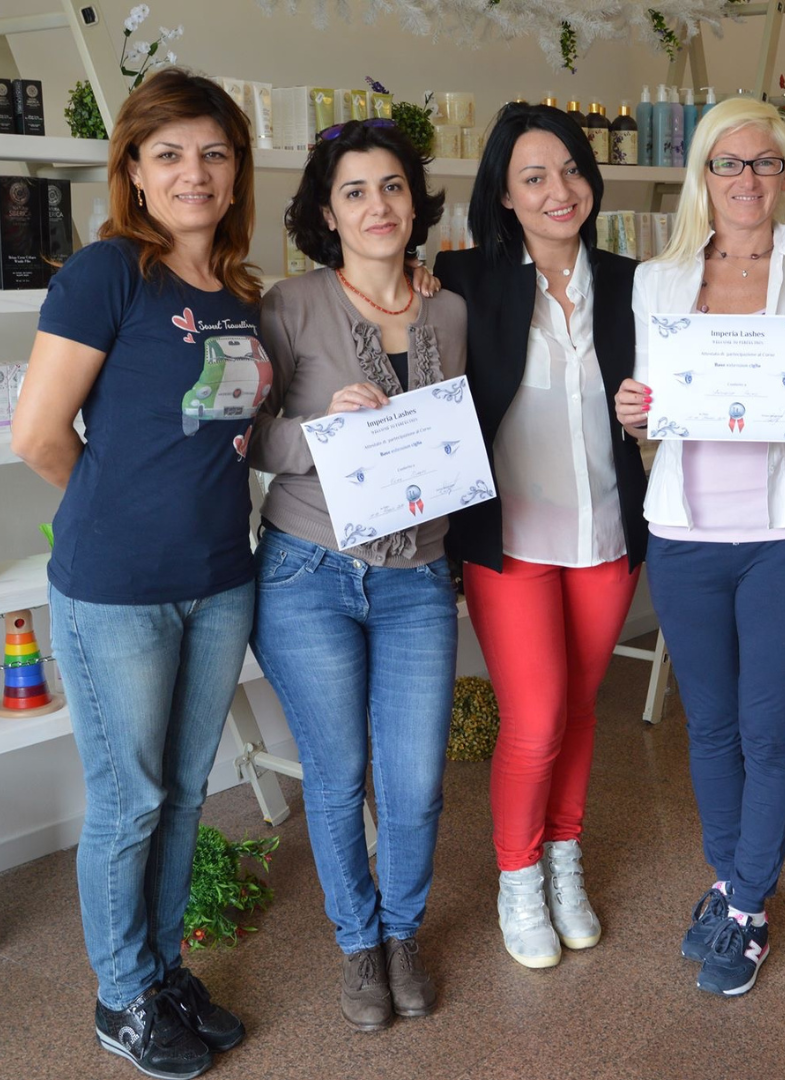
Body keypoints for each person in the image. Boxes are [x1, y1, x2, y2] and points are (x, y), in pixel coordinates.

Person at [11, 68, 262, 1079]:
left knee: (186, 792)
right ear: (136, 171)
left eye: (213, 152)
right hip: (117, 590)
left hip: (223, 578)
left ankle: (160, 971)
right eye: (169, 154)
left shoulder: (240, 292)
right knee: (130, 800)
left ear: (236, 172)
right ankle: (122, 998)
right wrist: (120, 511)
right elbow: (37, 434)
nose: (193, 172)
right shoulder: (106, 273)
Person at [614, 97, 785, 997]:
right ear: (704, 176)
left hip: (784, 537)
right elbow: (653, 410)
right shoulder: (658, 281)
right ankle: (730, 886)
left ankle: (749, 907)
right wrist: (634, 412)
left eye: (765, 162)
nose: (747, 179)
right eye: (728, 162)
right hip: (685, 535)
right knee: (711, 726)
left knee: (766, 729)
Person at [247, 119, 465, 1032]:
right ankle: (359, 945)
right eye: (354, 191)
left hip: (419, 579)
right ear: (327, 213)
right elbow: (246, 435)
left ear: (414, 202)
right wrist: (321, 432)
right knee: (337, 778)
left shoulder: (449, 312)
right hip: (309, 571)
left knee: (413, 784)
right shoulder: (290, 306)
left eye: (392, 187)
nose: (377, 206)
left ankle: (404, 932)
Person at [433, 103, 647, 970]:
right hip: (511, 538)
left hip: (607, 533)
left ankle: (565, 860)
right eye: (533, 176)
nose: (559, 190)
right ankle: (518, 880)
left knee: (581, 710)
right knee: (534, 720)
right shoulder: (461, 278)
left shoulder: (633, 282)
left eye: (570, 170)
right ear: (504, 195)